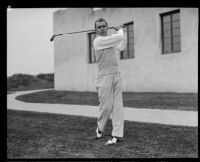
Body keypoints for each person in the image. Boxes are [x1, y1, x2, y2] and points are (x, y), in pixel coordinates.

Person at [93, 18, 127, 145]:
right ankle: (100, 128)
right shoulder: (98, 41)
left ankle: (116, 135)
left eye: (103, 26)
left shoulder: (111, 39)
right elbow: (117, 38)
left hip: (116, 73)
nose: (102, 28)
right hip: (104, 76)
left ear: (107, 27)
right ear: (96, 30)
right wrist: (120, 31)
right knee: (106, 107)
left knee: (118, 106)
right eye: (99, 27)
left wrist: (124, 31)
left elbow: (122, 46)